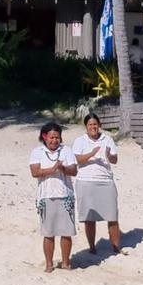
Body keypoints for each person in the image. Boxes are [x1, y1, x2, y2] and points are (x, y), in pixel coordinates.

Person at [29, 121, 78, 272]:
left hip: (65, 196)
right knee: (48, 233)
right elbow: (35, 172)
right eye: (51, 137)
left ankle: (65, 262)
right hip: (46, 196)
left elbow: (74, 171)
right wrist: (52, 169)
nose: (54, 140)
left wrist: (62, 168)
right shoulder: (37, 152)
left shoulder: (67, 151)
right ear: (44, 137)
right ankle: (49, 263)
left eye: (57, 137)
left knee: (66, 232)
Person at [72, 113, 121, 254]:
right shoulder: (80, 141)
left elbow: (115, 160)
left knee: (112, 216)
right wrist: (91, 154)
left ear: (99, 125)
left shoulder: (107, 139)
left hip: (106, 180)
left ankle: (116, 246)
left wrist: (109, 155)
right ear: (86, 126)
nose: (93, 127)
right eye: (90, 125)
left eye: (95, 124)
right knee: (89, 217)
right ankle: (92, 247)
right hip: (86, 181)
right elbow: (77, 160)